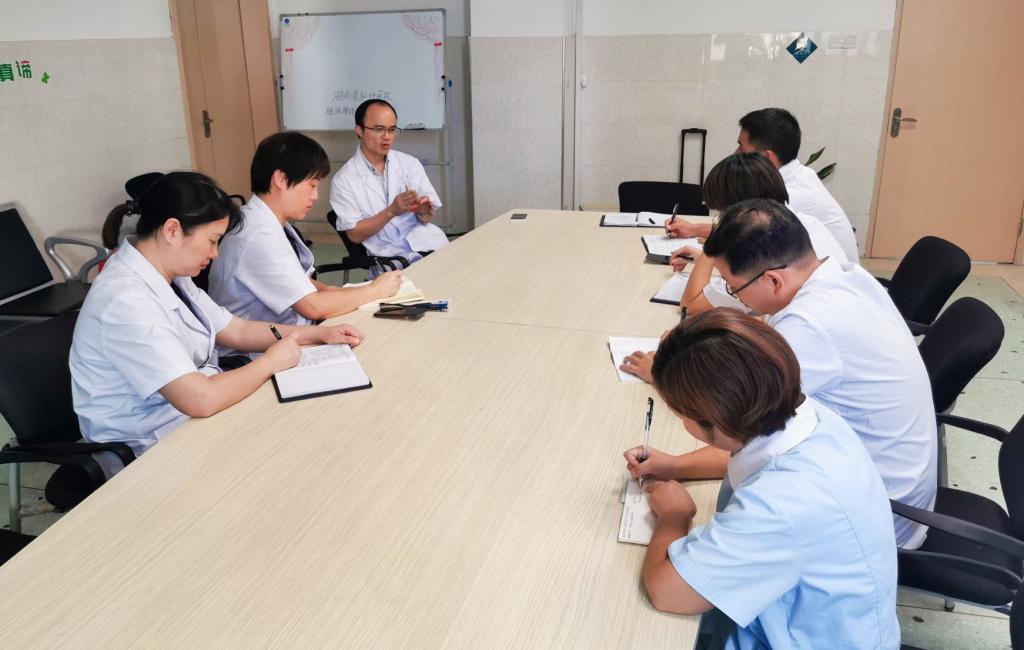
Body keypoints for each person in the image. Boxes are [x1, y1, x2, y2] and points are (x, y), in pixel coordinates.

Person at [627, 199, 937, 549]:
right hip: (889, 486)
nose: (734, 297)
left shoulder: (808, 326)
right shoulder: (842, 276)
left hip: (877, 521)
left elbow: (742, 432)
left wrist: (672, 381)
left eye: (732, 287)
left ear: (772, 279)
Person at [625, 309, 899, 648]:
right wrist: (677, 466)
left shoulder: (781, 505)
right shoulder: (805, 413)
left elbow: (667, 592)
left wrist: (673, 515)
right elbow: (749, 451)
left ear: (711, 420)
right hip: (837, 618)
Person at [70, 172, 365, 475]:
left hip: (189, 420)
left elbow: (236, 330)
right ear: (172, 230)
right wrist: (270, 363)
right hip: (148, 448)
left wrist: (317, 334)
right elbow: (200, 398)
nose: (215, 253)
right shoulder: (124, 299)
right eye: (212, 241)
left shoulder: (170, 274)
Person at [208, 132, 402, 347]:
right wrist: (375, 291)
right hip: (255, 353)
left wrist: (366, 290)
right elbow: (314, 307)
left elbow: (312, 288)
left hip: (289, 338)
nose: (315, 196)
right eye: (312, 185)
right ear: (281, 179)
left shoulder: (264, 221)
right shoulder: (256, 235)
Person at [665, 107, 859, 263]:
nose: (735, 153)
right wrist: (693, 230)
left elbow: (746, 234)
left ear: (767, 157)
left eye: (742, 147)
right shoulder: (798, 175)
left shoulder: (789, 196)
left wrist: (700, 244)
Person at [668, 151, 849, 316]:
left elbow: (689, 305)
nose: (721, 219)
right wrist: (706, 257)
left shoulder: (756, 255)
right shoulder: (799, 223)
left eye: (722, 213)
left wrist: (713, 246)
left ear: (741, 212)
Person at [329, 99, 446, 272]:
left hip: (427, 244)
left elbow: (427, 218)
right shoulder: (344, 180)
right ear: (359, 130)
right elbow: (354, 235)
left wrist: (423, 211)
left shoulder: (409, 164)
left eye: (392, 130)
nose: (387, 137)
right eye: (379, 129)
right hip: (388, 258)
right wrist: (391, 211)